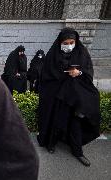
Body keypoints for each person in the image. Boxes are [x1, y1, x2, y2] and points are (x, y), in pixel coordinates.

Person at [37, 27, 100, 167]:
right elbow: (46, 76)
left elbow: (88, 73)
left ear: (76, 42)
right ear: (60, 42)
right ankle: (51, 144)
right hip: (57, 96)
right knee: (55, 120)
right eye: (65, 43)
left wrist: (79, 73)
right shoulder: (53, 55)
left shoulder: (82, 53)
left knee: (75, 122)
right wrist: (61, 74)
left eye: (72, 42)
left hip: (74, 98)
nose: (69, 45)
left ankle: (78, 151)